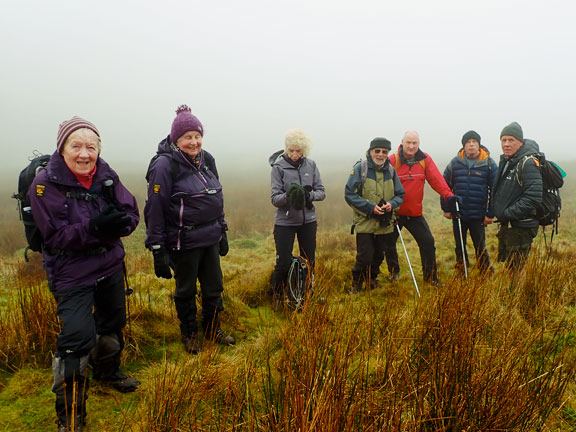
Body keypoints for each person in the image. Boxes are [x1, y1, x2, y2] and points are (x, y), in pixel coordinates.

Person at [29, 116, 140, 432]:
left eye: (91, 146)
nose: (84, 153)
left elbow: (130, 211)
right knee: (77, 337)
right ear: (62, 148)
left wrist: (122, 224)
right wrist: (95, 228)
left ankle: (108, 372)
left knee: (113, 323)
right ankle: (71, 415)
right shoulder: (43, 185)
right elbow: (54, 236)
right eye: (76, 145)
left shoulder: (106, 175)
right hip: (71, 273)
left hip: (109, 266)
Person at [144, 105, 234, 355]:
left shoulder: (208, 160)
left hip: (210, 237)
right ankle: (190, 333)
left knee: (214, 287)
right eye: (187, 137)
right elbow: (155, 207)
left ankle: (213, 330)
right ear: (176, 140)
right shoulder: (165, 165)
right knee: (185, 289)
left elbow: (217, 197)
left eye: (197, 136)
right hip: (183, 241)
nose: (194, 142)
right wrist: (157, 247)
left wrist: (222, 230)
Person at [386, 131, 461, 285]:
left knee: (427, 242)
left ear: (418, 144)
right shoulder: (393, 160)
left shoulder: (424, 160)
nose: (411, 146)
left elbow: (436, 180)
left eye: (415, 143)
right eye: (408, 142)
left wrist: (448, 195)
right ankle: (394, 272)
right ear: (402, 142)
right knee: (387, 244)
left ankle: (431, 278)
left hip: (415, 214)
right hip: (394, 213)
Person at [269, 128, 326, 298]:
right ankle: (277, 295)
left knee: (309, 260)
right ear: (286, 148)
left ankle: (307, 292)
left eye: (298, 151)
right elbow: (274, 198)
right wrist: (290, 196)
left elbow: (322, 192)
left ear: (304, 150)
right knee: (283, 262)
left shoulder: (311, 165)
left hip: (308, 221)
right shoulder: (278, 168)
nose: (294, 154)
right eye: (291, 150)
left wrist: (308, 195)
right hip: (284, 222)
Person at [344, 137, 405, 292]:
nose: (380, 154)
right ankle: (356, 284)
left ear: (388, 153)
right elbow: (349, 194)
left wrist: (392, 204)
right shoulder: (360, 168)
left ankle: (372, 280)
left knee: (379, 255)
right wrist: (370, 208)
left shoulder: (391, 171)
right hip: (365, 222)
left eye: (384, 151)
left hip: (385, 224)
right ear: (370, 151)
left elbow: (400, 195)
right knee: (364, 256)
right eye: (377, 151)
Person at [441, 130, 498, 275]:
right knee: (459, 244)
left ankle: (485, 269)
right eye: (468, 142)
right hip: (458, 213)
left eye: (474, 142)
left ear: (479, 145)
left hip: (478, 214)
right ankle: (462, 268)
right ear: (464, 146)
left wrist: (490, 214)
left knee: (480, 244)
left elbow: (496, 189)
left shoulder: (489, 163)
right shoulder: (455, 163)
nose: (471, 145)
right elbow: (443, 185)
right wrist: (446, 208)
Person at [492, 122, 542, 270]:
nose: (506, 144)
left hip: (521, 226)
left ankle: (519, 294)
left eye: (511, 140)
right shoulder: (510, 161)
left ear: (520, 142)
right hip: (512, 226)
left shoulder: (527, 163)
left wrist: (507, 213)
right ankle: (516, 293)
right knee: (512, 268)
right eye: (503, 140)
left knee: (516, 269)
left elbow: (533, 198)